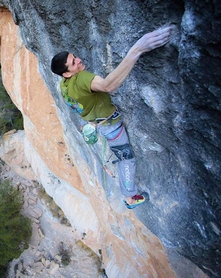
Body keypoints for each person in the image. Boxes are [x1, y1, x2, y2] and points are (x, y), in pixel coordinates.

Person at [51, 26, 172, 209]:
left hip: (96, 123)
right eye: (74, 62)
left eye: (75, 57)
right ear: (67, 73)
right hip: (112, 128)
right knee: (126, 159)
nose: (79, 60)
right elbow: (108, 85)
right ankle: (130, 198)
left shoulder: (65, 86)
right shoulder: (82, 78)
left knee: (120, 155)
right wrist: (137, 50)